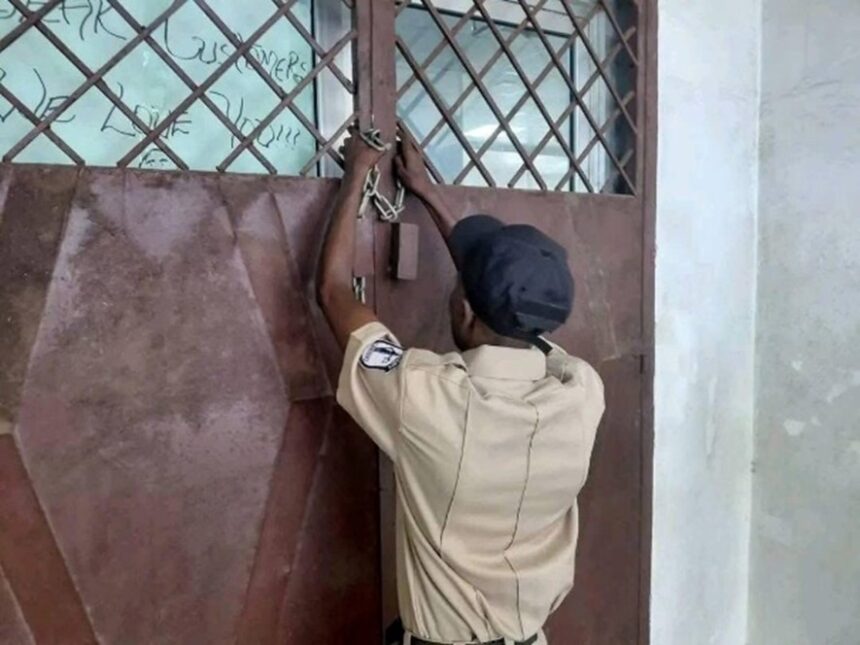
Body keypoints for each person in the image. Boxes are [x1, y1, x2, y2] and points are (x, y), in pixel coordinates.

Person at [316, 126, 605, 645]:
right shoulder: (581, 392)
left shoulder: (425, 399)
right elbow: (515, 313)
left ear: (466, 310)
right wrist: (427, 192)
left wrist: (355, 174)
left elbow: (334, 292)